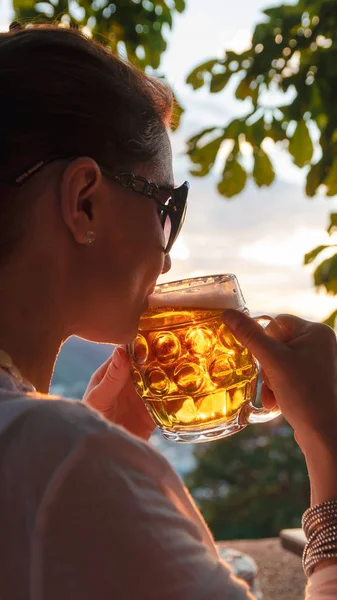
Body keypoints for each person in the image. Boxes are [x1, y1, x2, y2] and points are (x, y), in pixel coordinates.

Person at [0, 21, 336, 599]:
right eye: (166, 209)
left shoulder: (52, 457)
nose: (167, 260)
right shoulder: (59, 460)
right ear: (84, 203)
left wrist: (105, 444)